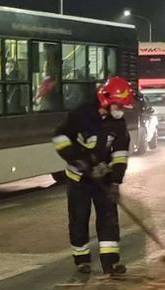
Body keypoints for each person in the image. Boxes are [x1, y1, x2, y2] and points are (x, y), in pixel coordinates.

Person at [52, 76, 136, 275]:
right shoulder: (81, 116)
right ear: (106, 100)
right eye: (119, 105)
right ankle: (82, 260)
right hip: (78, 179)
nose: (121, 110)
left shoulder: (118, 125)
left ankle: (111, 264)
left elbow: (120, 154)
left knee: (108, 219)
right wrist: (77, 159)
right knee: (79, 218)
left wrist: (115, 181)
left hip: (103, 179)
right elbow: (60, 137)